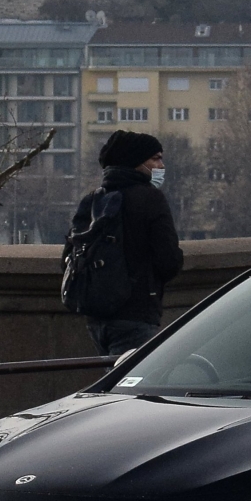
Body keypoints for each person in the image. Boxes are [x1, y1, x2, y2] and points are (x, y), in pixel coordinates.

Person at [66, 130, 186, 355]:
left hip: (95, 317)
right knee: (131, 384)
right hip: (136, 313)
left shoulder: (92, 200)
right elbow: (168, 259)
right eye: (155, 158)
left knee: (112, 381)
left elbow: (70, 257)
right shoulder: (150, 198)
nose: (161, 165)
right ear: (136, 162)